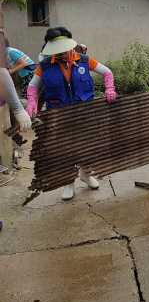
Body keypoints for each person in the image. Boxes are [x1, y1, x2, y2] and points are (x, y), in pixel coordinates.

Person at [26, 26, 117, 201]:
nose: (62, 55)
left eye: (64, 51)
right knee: (64, 149)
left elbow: (106, 72)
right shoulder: (45, 65)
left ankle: (86, 173)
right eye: (57, 52)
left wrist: (110, 88)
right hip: (58, 115)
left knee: (87, 145)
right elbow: (33, 86)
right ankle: (68, 183)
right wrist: (31, 101)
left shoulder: (84, 60)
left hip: (84, 113)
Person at [0, 32, 31, 133]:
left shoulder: (10, 52)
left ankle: (28, 116)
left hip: (30, 73)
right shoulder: (6, 52)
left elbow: (23, 63)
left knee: (24, 95)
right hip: (25, 74)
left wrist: (10, 72)